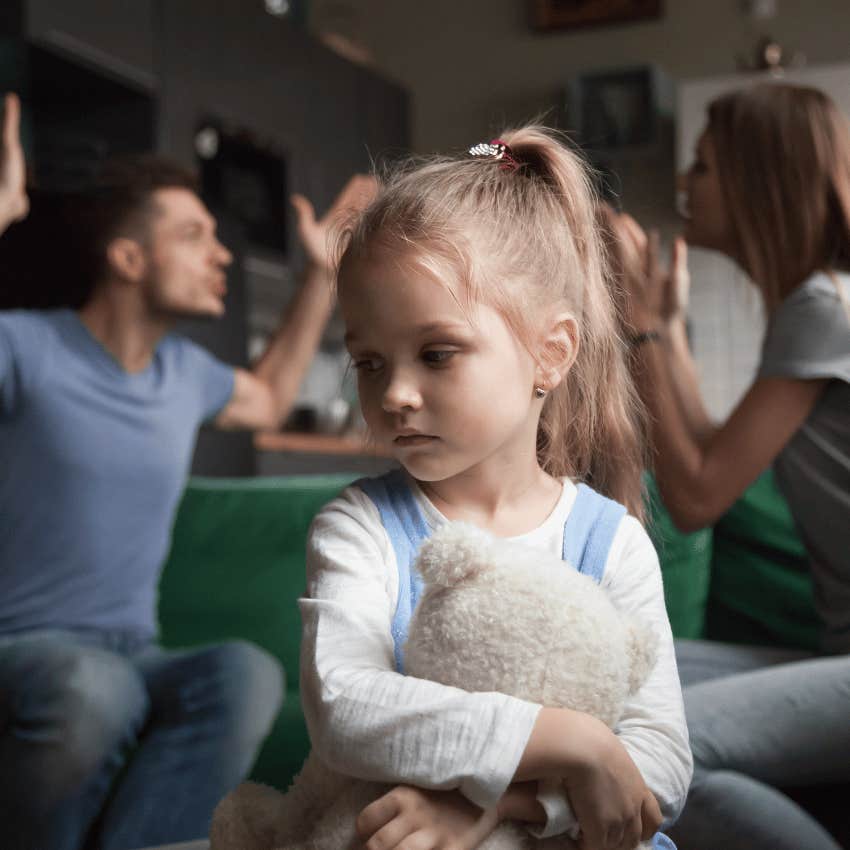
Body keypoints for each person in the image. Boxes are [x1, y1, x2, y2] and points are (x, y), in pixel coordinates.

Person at [0, 91, 376, 850]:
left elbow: (267, 399)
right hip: (22, 645)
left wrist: (319, 277)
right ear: (128, 258)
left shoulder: (183, 372)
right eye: (195, 235)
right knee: (92, 691)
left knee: (243, 674)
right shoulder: (25, 348)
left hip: (133, 650)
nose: (223, 254)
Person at [299, 129, 692, 850]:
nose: (397, 394)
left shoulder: (613, 544)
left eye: (436, 354)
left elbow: (661, 761)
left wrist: (505, 809)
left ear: (551, 353)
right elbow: (343, 706)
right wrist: (573, 743)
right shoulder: (359, 526)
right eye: (369, 363)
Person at [607, 82, 850, 850]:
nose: (686, 184)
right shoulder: (816, 307)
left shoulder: (821, 310)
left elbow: (698, 495)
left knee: (661, 754)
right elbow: (720, 445)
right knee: (629, 669)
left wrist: (640, 329)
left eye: (704, 168)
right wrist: (666, 328)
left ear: (756, 183)